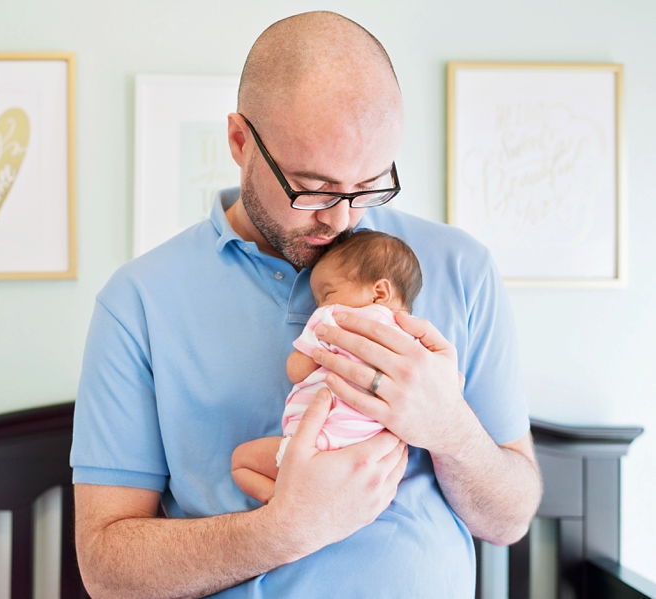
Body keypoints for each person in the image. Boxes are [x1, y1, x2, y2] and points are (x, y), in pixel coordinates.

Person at [71, 10, 542, 598]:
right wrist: (285, 530)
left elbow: (510, 519)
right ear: (240, 143)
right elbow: (106, 571)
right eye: (313, 187)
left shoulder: (460, 267)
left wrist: (452, 430)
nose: (343, 217)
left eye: (369, 184)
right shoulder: (137, 302)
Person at [231, 230, 423, 505]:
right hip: (369, 458)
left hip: (316, 443)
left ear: (379, 292)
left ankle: (279, 502)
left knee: (241, 462)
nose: (319, 305)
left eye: (326, 293)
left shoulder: (333, 318)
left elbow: (297, 370)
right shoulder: (415, 341)